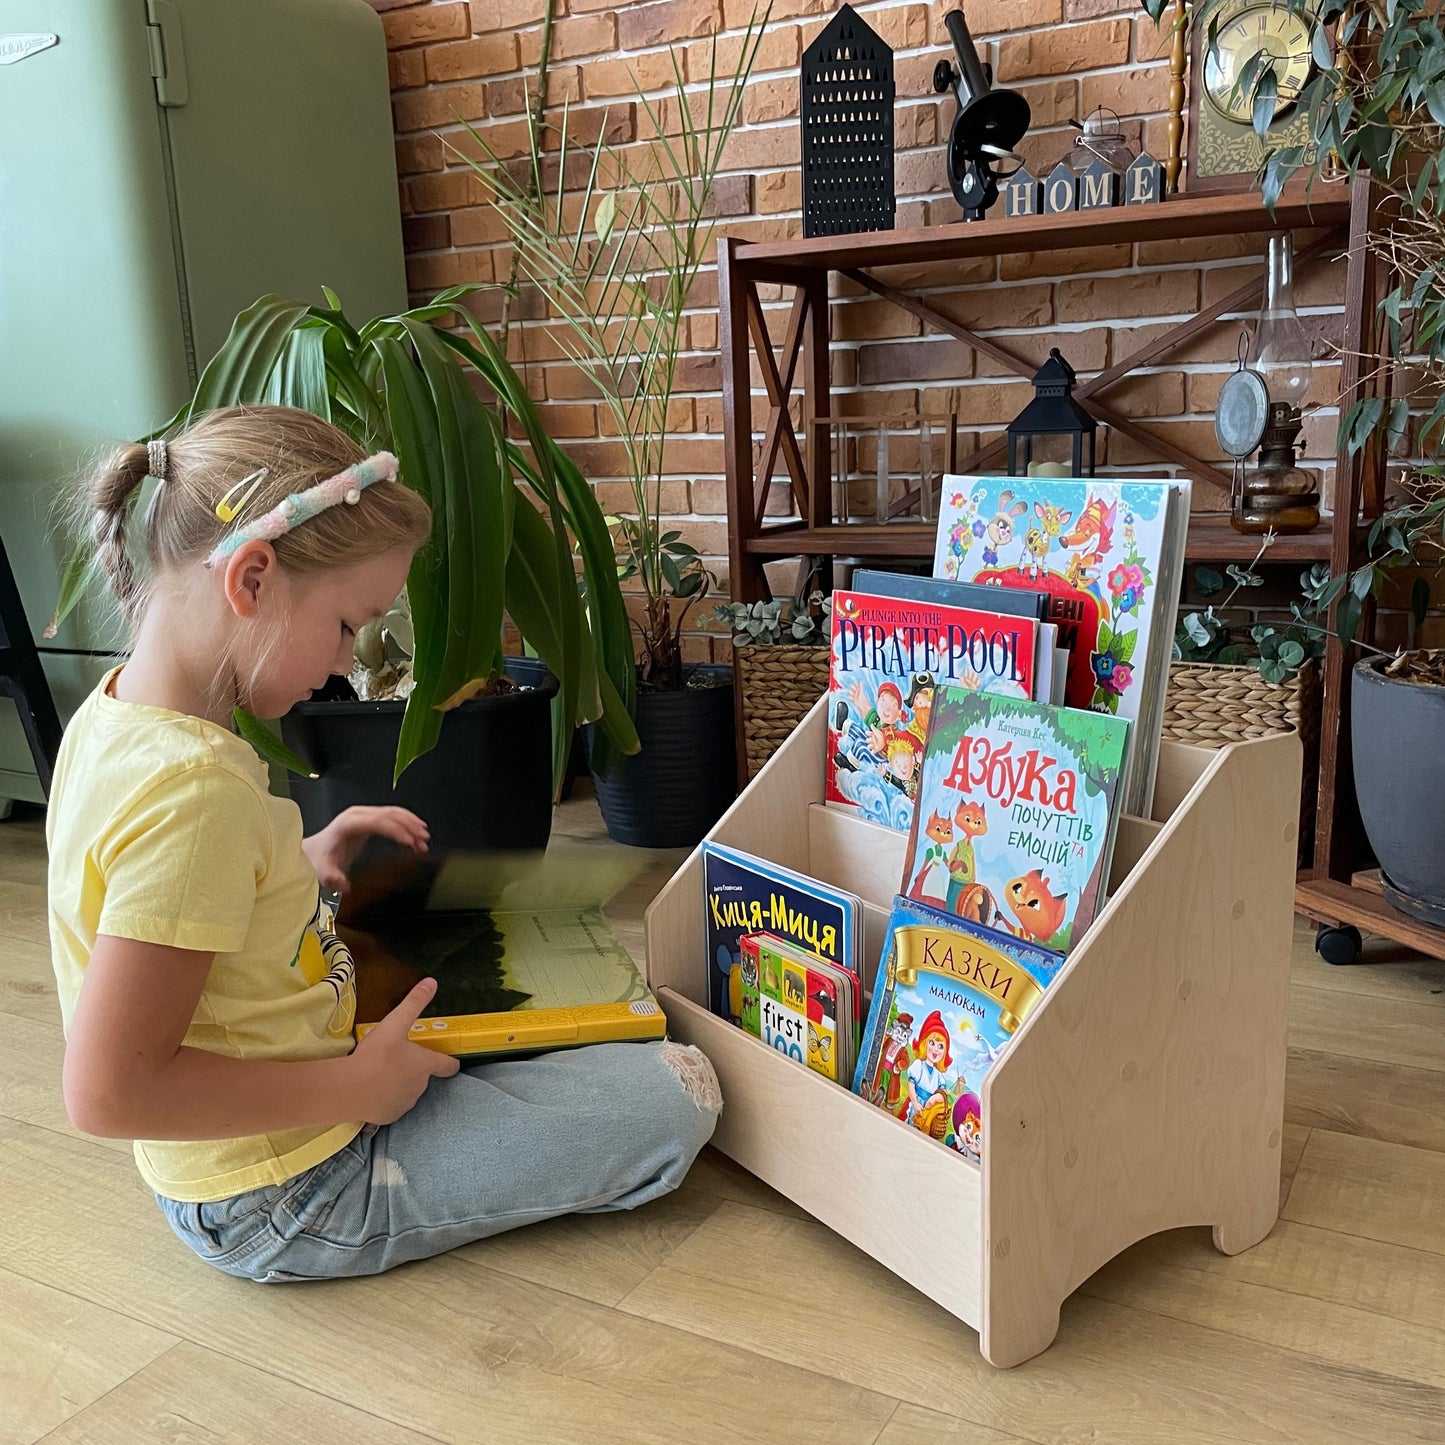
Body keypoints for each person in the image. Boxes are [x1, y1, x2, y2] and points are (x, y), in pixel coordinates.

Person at [45, 404, 720, 1283]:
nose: (342, 665)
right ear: (249, 579)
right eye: (342, 627)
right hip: (290, 1192)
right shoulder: (193, 791)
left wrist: (300, 857)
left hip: (278, 1127)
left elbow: (155, 898)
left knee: (581, 1028)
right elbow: (107, 1091)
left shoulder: (118, 719)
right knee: (675, 1092)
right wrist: (353, 1089)